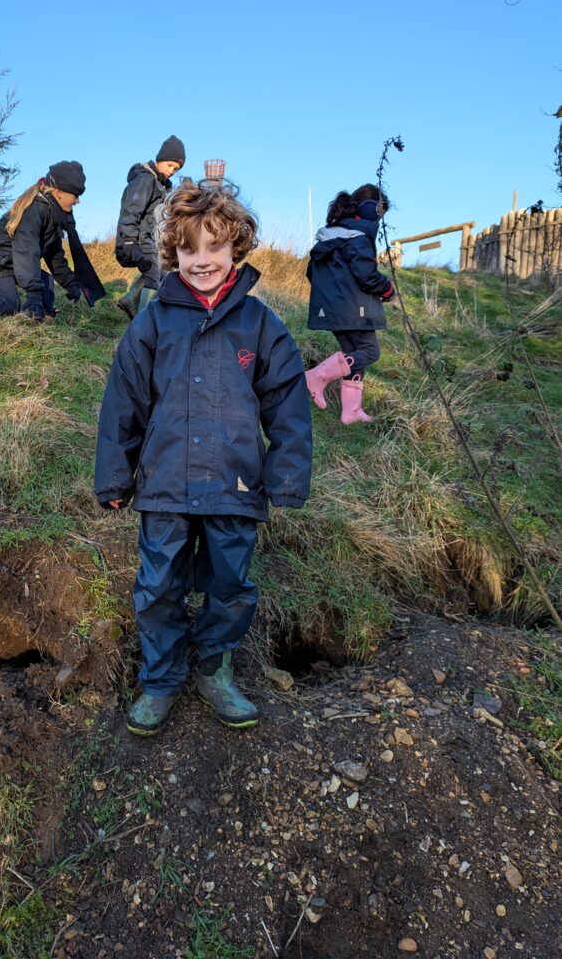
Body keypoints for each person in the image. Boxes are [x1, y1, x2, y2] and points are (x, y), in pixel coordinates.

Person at [95, 179, 312, 736]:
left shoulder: (261, 325)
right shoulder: (153, 321)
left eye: (214, 247)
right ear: (173, 253)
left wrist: (286, 475)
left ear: (236, 248)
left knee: (230, 585)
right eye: (189, 249)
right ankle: (160, 680)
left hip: (235, 486)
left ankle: (216, 671)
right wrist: (115, 476)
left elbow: (287, 403)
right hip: (164, 483)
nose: (202, 260)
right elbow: (124, 402)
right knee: (158, 585)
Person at [0, 161, 94, 342]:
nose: (77, 200)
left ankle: (38, 325)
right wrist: (33, 294)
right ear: (59, 192)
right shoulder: (35, 210)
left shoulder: (54, 213)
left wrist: (70, 283)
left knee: (46, 284)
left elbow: (54, 255)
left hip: (13, 257)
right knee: (10, 304)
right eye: (75, 195)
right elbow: (26, 251)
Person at [304, 184, 395, 424]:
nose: (381, 217)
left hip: (333, 310)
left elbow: (312, 272)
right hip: (353, 309)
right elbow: (366, 274)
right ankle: (316, 377)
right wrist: (387, 288)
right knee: (370, 351)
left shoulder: (330, 236)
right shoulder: (358, 236)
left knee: (353, 356)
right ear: (370, 209)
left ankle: (351, 412)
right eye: (381, 210)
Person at [114, 135, 186, 318]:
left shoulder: (160, 184)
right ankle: (142, 323)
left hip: (147, 241)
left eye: (176, 169)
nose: (172, 171)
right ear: (160, 159)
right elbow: (131, 210)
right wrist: (129, 241)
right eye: (170, 165)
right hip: (134, 241)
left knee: (163, 267)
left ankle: (130, 300)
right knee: (154, 275)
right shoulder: (145, 180)